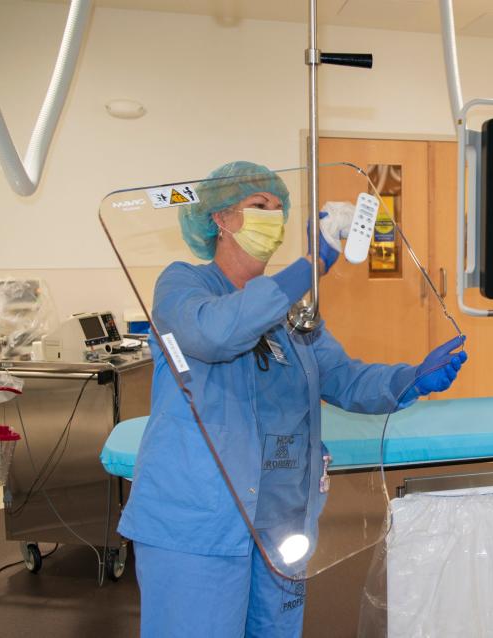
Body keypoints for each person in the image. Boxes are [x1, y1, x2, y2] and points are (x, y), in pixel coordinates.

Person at [117, 161, 467, 638]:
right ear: (219, 219)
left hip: (283, 526)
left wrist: (410, 378)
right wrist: (312, 264)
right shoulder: (182, 286)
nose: (273, 218)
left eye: (280, 209)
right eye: (259, 206)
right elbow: (218, 334)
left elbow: (343, 378)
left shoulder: (292, 316)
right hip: (199, 524)